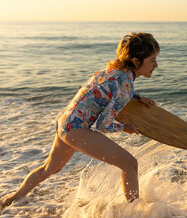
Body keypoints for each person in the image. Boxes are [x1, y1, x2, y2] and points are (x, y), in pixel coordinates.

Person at [1, 32, 160, 207]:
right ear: (136, 61)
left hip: (64, 120)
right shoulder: (125, 86)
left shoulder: (113, 71)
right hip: (77, 129)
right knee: (130, 164)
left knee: (50, 168)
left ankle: (12, 199)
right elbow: (103, 124)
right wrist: (125, 128)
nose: (156, 65)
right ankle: (134, 214)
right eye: (152, 60)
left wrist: (137, 97)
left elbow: (112, 91)